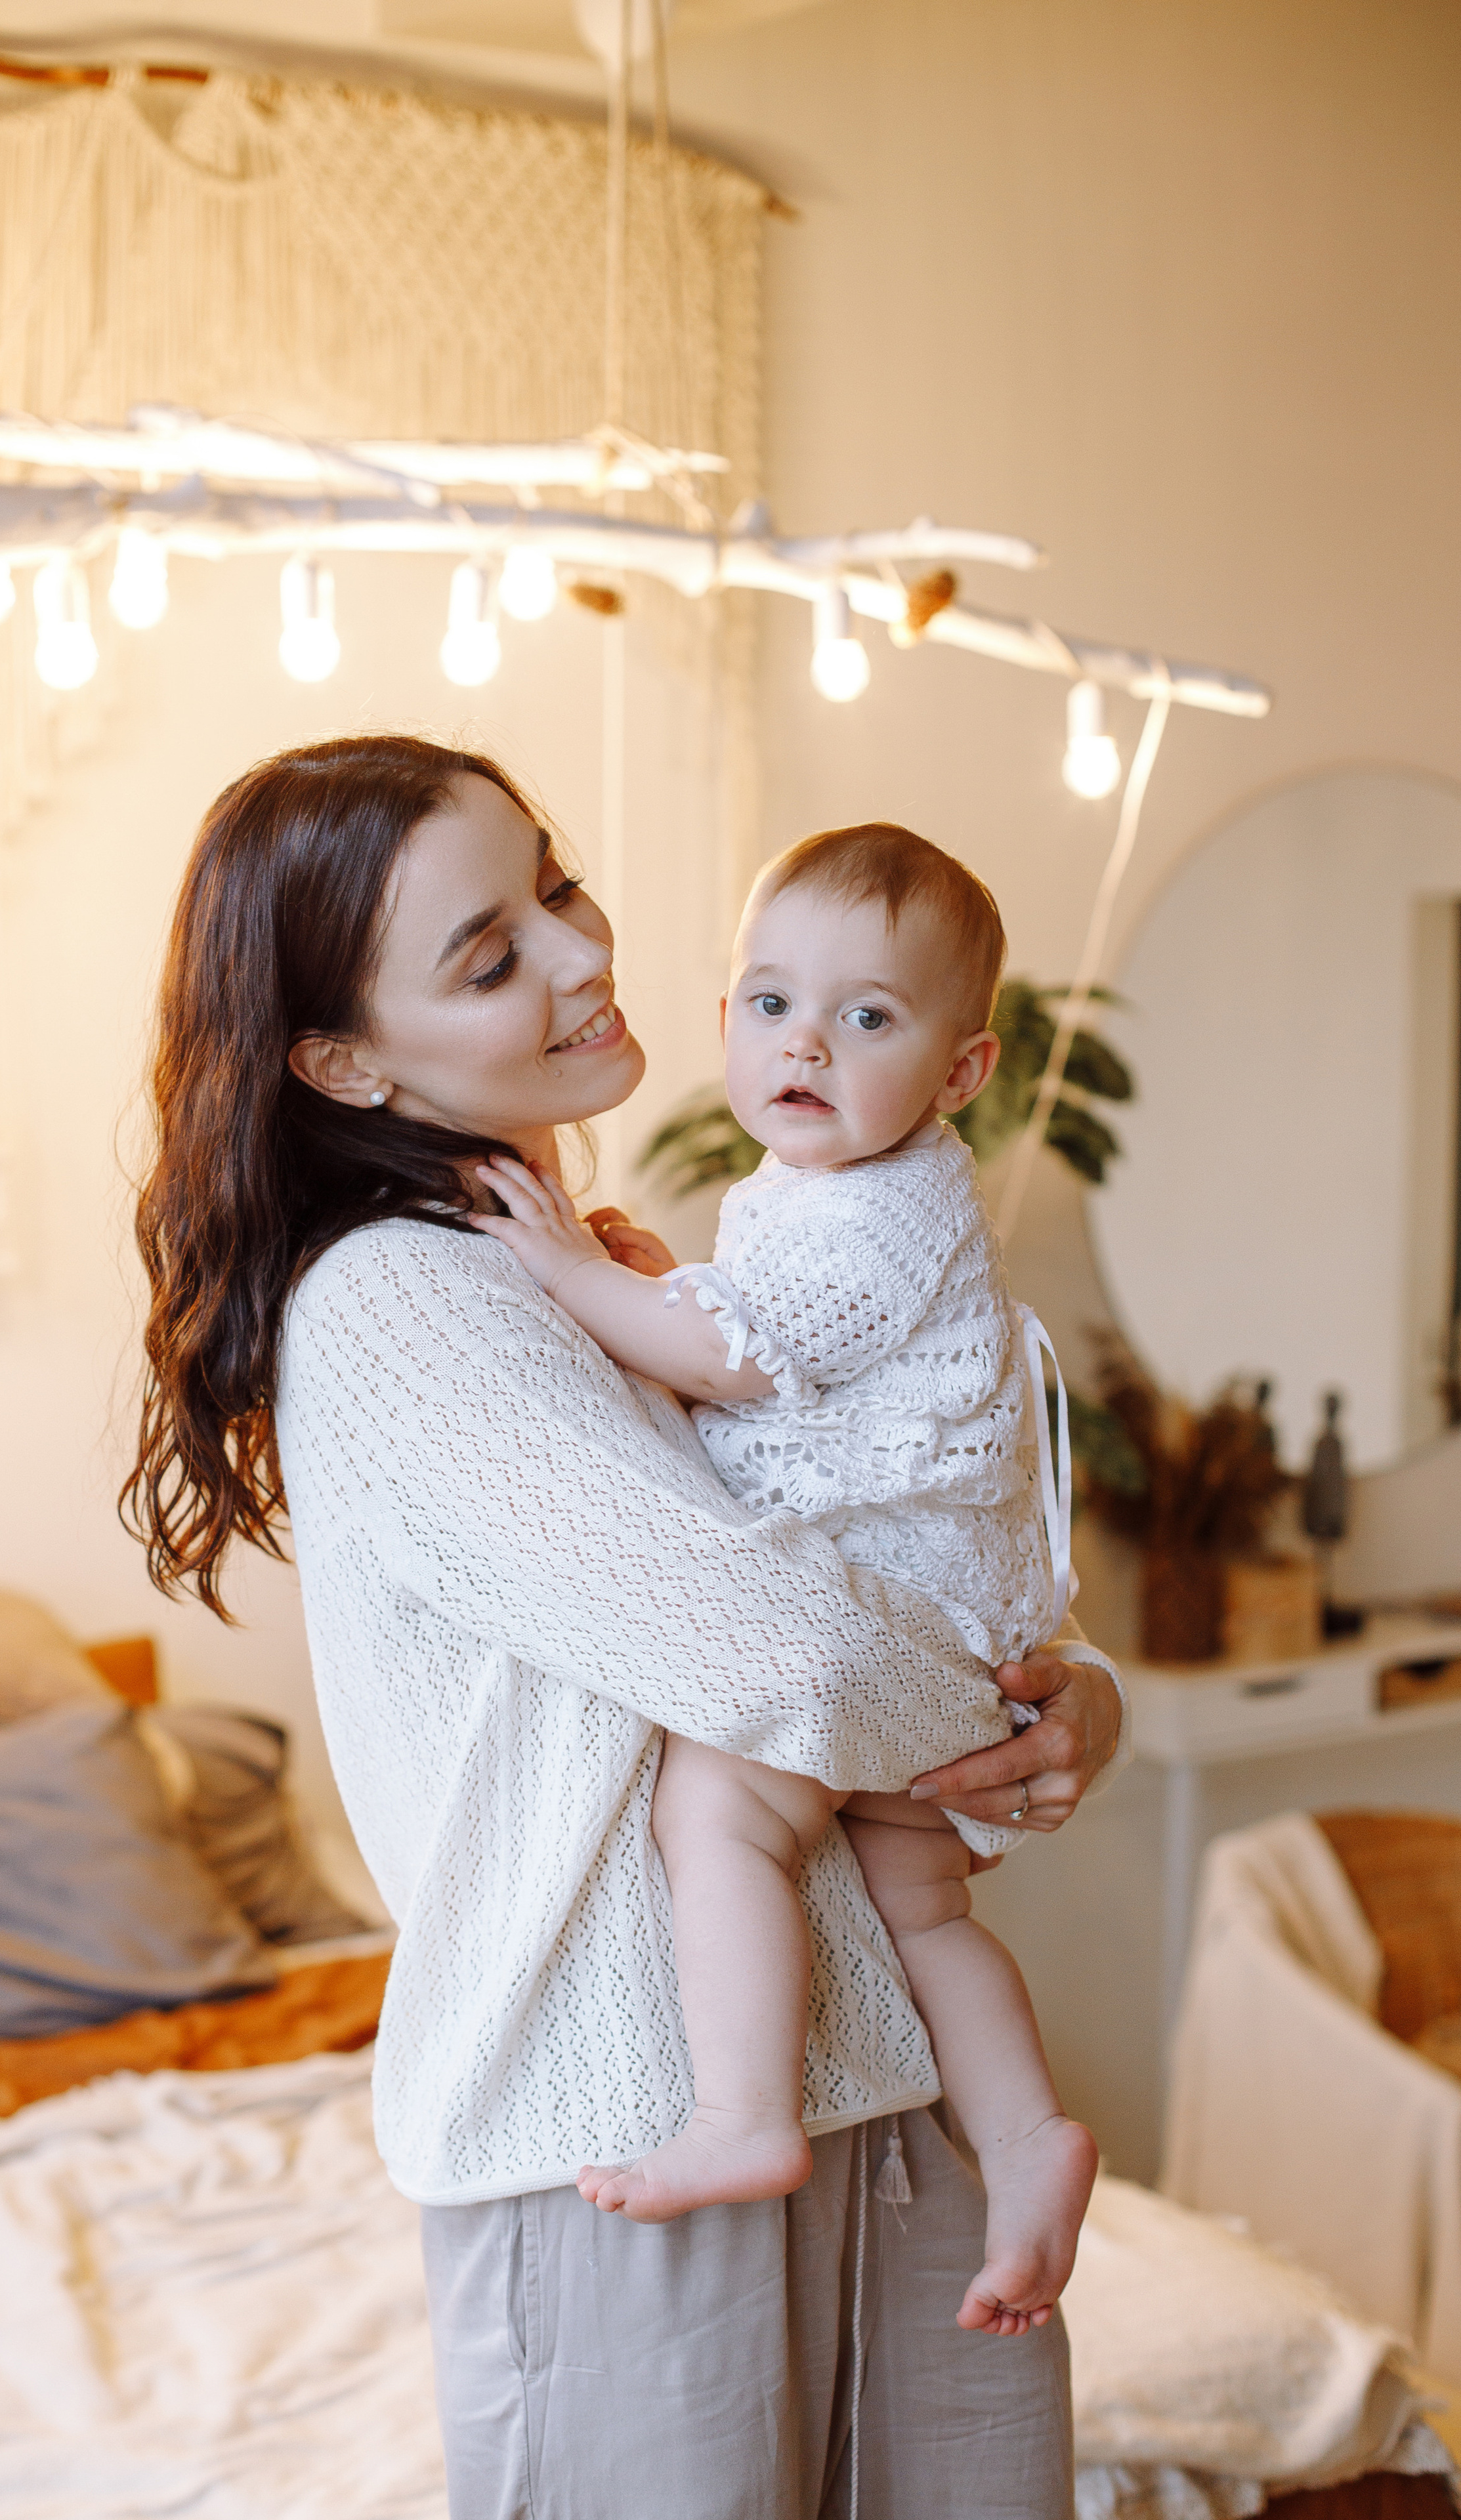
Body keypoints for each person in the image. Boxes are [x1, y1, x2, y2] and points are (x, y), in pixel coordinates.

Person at [123, 735, 1129, 2520]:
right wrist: (1001, 1716)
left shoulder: (623, 1267)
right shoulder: (403, 1304)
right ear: (345, 1060)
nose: (587, 954)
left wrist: (1077, 1698)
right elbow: (791, 1660)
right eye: (492, 953)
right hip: (620, 2123)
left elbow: (874, 1556)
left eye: (558, 888)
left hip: (875, 2082)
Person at [470, 822, 1096, 2338]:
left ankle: (739, 2109)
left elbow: (740, 1363)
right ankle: (1026, 2139)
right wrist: (652, 1274)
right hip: (940, 1610)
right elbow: (752, 1323)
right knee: (920, 1901)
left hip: (886, 1599)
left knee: (718, 1811)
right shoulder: (837, 1184)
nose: (800, 1043)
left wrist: (568, 1273)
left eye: (864, 1018)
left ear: (958, 1074)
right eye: (767, 1003)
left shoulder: (886, 1204)